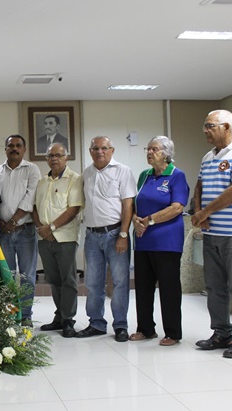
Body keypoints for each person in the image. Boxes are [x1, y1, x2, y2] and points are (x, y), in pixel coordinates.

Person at [192, 109, 232, 358]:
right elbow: (199, 186)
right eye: (205, 125)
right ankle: (221, 333)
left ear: (227, 127)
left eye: (210, 126)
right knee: (214, 287)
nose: (205, 130)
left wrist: (204, 212)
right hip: (211, 234)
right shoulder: (208, 156)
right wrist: (198, 212)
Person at [130, 136, 189, 346]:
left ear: (166, 153)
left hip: (167, 241)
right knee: (143, 287)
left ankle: (172, 332)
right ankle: (145, 329)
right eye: (148, 149)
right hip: (143, 240)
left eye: (154, 149)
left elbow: (177, 207)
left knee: (168, 288)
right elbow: (136, 202)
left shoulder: (176, 175)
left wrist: (150, 220)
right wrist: (136, 219)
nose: (149, 152)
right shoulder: (144, 175)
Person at [78, 136, 136, 342]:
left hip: (115, 234)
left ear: (112, 150)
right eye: (95, 148)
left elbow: (128, 204)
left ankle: (120, 325)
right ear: (90, 150)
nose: (99, 151)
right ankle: (96, 323)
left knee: (120, 282)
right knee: (93, 282)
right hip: (92, 235)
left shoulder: (123, 171)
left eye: (104, 148)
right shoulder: (86, 173)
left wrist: (123, 233)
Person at [33, 143, 83, 338]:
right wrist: (41, 229)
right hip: (44, 238)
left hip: (65, 238)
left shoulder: (75, 179)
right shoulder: (42, 181)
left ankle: (69, 319)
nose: (54, 158)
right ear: (46, 159)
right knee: (53, 280)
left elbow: (73, 209)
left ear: (66, 158)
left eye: (58, 155)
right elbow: (35, 208)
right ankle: (59, 317)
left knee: (68, 280)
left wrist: (51, 228)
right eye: (50, 155)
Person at [0, 135, 41, 325]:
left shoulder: (32, 169)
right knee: (7, 275)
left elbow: (31, 197)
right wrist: (1, 222)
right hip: (3, 231)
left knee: (27, 275)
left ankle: (26, 315)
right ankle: (11, 314)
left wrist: (13, 220)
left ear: (24, 149)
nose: (14, 148)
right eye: (10, 146)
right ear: (5, 149)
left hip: (25, 230)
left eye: (18, 145)